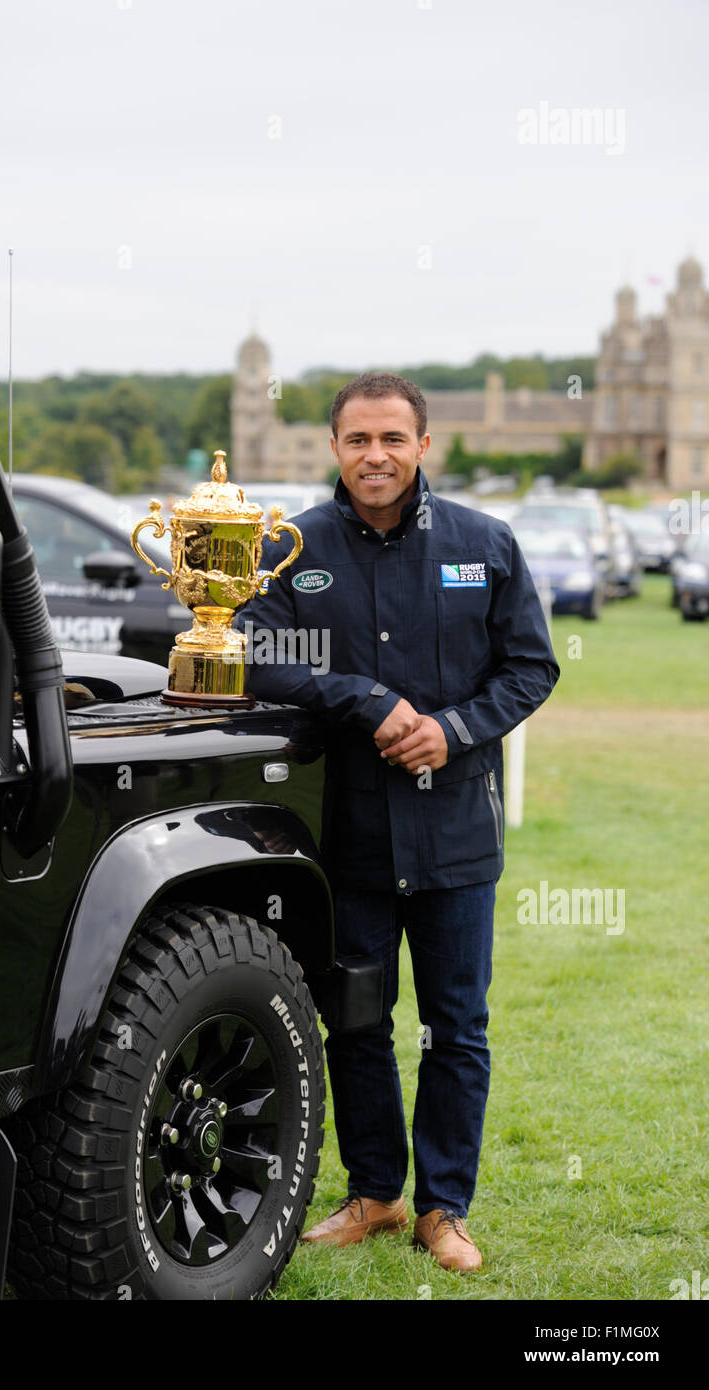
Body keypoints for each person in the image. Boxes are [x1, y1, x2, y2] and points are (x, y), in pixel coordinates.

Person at [239, 373, 559, 1272]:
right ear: (333, 448)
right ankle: (375, 1194)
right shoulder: (291, 545)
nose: (373, 455)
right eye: (356, 440)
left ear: (423, 446)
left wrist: (450, 731)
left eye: (391, 439)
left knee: (458, 1026)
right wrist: (368, 700)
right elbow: (260, 657)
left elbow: (529, 669)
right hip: (349, 834)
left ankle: (443, 1209)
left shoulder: (484, 543)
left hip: (456, 833)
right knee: (357, 1022)